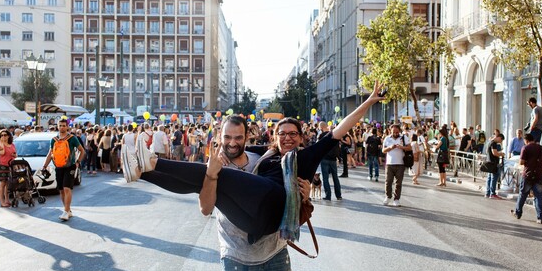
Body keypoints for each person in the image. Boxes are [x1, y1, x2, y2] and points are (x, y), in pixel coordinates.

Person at [126, 82, 385, 240]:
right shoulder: (265, 152)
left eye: (293, 134)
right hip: (251, 222)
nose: (287, 138)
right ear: (274, 137)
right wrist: (218, 151)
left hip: (273, 206)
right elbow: (233, 146)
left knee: (221, 174)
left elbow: (339, 129)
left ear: (301, 137)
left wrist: (369, 101)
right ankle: (141, 172)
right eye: (282, 134)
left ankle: (154, 163)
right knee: (209, 180)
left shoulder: (306, 156)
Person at [199, 115, 310, 271]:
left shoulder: (261, 160)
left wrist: (303, 195)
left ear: (247, 137)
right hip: (237, 255)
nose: (232, 143)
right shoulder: (215, 166)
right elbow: (205, 209)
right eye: (227, 137)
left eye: (238, 137)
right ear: (219, 136)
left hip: (275, 251)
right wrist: (211, 175)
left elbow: (282, 195)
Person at [41, 119, 85, 221]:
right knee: (61, 190)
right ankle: (68, 210)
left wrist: (78, 162)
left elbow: (82, 151)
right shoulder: (54, 140)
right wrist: (44, 166)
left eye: (64, 125)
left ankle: (65, 211)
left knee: (67, 188)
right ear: (57, 126)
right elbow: (50, 154)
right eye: (60, 125)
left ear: (67, 127)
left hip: (70, 167)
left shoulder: (72, 138)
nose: (62, 127)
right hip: (59, 167)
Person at [511, 133, 542, 224]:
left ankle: (518, 213)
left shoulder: (525, 148)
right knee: (538, 196)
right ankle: (540, 217)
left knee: (522, 194)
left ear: (526, 140)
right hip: (538, 175)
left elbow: (521, 162)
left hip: (528, 175)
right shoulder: (541, 148)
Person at [381, 124, 411, 207]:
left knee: (398, 183)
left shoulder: (404, 138)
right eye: (394, 132)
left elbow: (409, 147)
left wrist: (402, 147)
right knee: (388, 181)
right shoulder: (387, 138)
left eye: (397, 132)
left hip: (400, 163)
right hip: (390, 163)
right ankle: (388, 196)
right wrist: (390, 147)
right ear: (391, 131)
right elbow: (383, 150)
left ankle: (396, 199)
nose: (395, 133)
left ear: (399, 131)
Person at [318, 121, 342, 201]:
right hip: (333, 159)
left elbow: (318, 147)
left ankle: (328, 196)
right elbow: (338, 147)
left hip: (324, 158)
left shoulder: (321, 135)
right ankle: (338, 195)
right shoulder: (334, 134)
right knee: (335, 177)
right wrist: (338, 157)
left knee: (325, 178)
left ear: (321, 127)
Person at [0, 129, 16, 207]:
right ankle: (2, 202)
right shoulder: (0, 145)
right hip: (3, 165)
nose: (3, 136)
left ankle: (7, 199)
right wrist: (2, 143)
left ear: (8, 136)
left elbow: (15, 154)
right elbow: (2, 153)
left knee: (8, 183)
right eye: (2, 135)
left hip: (11, 165)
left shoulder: (12, 145)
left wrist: (14, 155)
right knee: (3, 183)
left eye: (5, 135)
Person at [485, 133, 505, 199]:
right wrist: (501, 154)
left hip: (489, 162)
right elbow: (495, 153)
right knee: (494, 178)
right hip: (493, 163)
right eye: (501, 140)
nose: (500, 142)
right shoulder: (493, 143)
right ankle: (492, 193)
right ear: (498, 137)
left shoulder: (489, 142)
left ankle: (488, 193)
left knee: (489, 178)